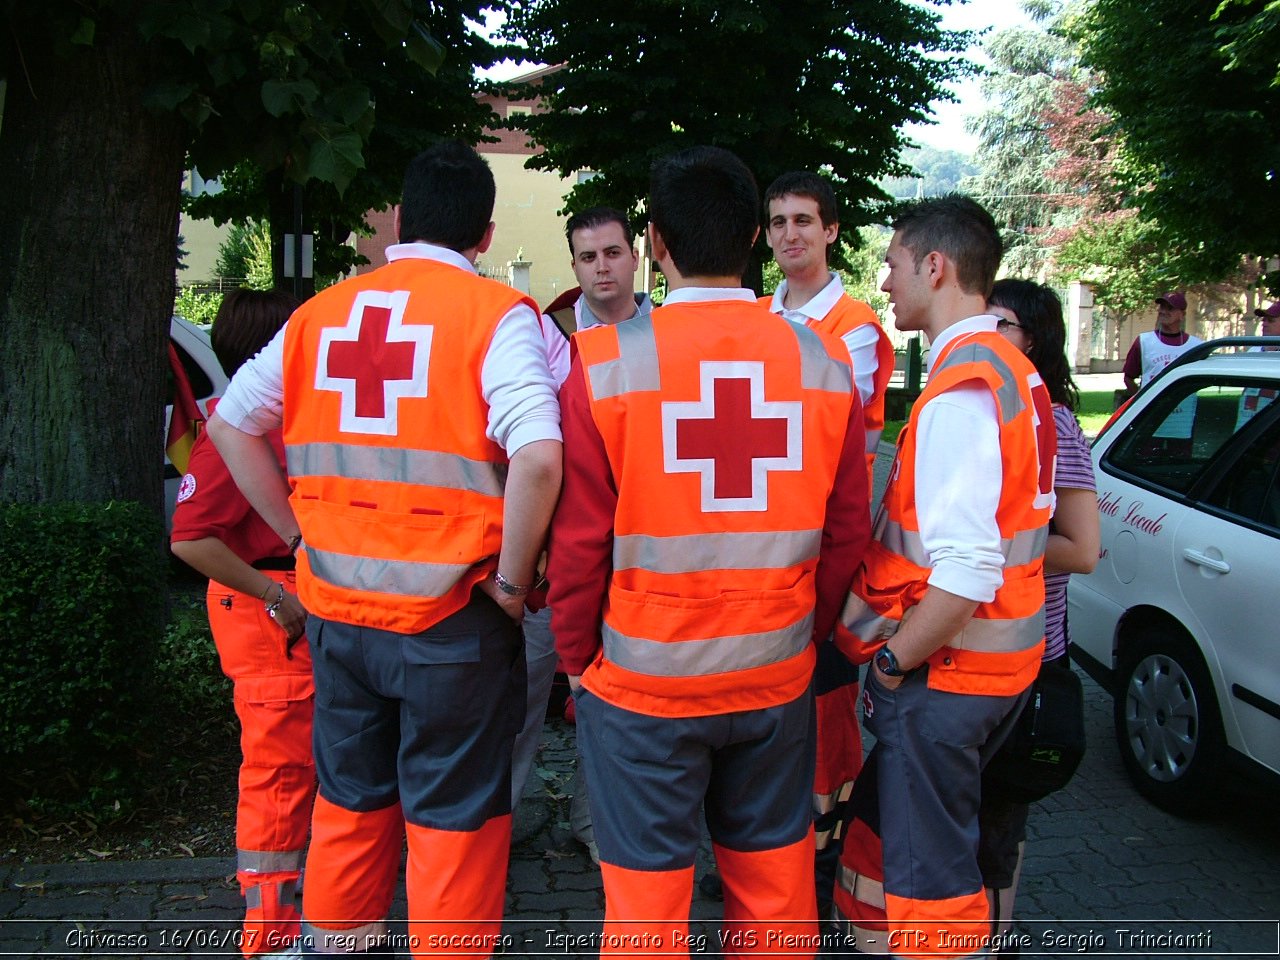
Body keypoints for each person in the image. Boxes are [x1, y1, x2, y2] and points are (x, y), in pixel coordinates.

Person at [206, 141, 563, 959]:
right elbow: (540, 456)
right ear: (484, 234)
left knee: (351, 806)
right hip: (450, 621)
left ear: (399, 219)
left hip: (338, 618)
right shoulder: (496, 315)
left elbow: (229, 426)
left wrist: (300, 538)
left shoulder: (320, 313)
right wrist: (511, 585)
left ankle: (336, 948)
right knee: (455, 821)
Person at [547, 145, 871, 955]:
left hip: (642, 684)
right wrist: (807, 630)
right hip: (774, 673)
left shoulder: (603, 366)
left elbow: (580, 542)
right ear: (756, 239)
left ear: (654, 242)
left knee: (648, 908)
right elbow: (847, 531)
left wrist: (576, 657)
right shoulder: (827, 363)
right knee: (775, 893)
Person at [830, 195, 1056, 958]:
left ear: (936, 265)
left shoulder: (962, 390)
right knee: (931, 856)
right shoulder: (1015, 372)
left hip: (947, 674)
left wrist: (895, 662)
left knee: (929, 884)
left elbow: (966, 569)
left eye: (893, 266)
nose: (885, 284)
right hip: (1002, 670)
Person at [760, 170, 894, 916]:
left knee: (824, 710)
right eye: (777, 222)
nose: (790, 235)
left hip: (826, 540)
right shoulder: (757, 311)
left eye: (804, 221)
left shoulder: (856, 326)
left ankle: (824, 853)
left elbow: (830, 432)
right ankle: (769, 842)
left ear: (832, 230)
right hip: (763, 535)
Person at [170, 288, 312, 959]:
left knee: (294, 771)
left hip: (283, 604)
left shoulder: (267, 416)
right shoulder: (238, 423)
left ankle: (295, 919)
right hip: (270, 609)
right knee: (278, 776)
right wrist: (274, 596)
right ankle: (271, 935)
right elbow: (191, 539)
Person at [512, 206, 651, 861]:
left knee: (618, 706)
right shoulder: (547, 335)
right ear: (574, 265)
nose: (602, 267)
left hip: (635, 552)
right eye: (589, 257)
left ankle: (600, 826)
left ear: (635, 257)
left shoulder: (664, 334)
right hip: (554, 554)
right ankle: (501, 819)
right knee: (527, 688)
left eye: (613, 253)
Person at [980, 278, 1100, 946]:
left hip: (1027, 658)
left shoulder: (1051, 421)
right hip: (969, 650)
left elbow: (1083, 549)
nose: (988, 338)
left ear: (1035, 340)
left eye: (1004, 326)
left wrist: (987, 548)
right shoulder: (983, 408)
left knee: (999, 824)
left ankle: (994, 939)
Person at [1122, 291, 1203, 393]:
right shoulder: (1144, 342)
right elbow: (1128, 377)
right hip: (1153, 408)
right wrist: (1141, 401)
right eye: (1162, 307)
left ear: (1182, 314)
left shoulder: (1196, 346)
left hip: (1185, 408)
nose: (1163, 311)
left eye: (1170, 308)